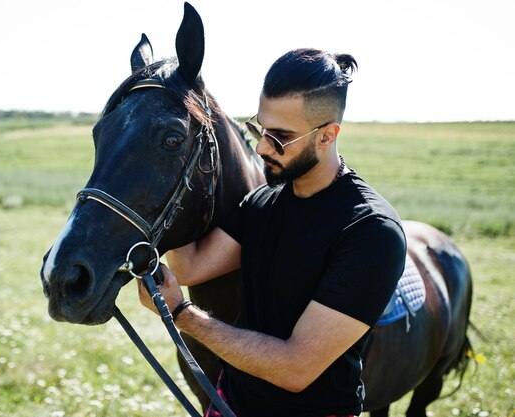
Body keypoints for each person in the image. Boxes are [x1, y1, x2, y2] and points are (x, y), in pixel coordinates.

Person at [138, 48, 407, 417]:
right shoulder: (262, 202)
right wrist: (176, 176)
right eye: (259, 129)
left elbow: (295, 367)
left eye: (280, 137)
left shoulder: (370, 230)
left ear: (327, 136)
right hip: (228, 401)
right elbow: (190, 268)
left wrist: (181, 313)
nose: (263, 147)